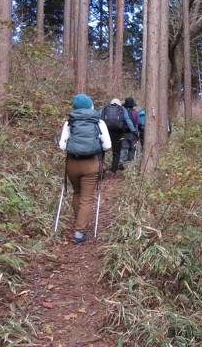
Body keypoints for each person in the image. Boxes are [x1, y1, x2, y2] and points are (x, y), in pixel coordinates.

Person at [58, 94, 112, 244]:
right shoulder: (98, 122)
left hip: (72, 164)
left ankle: (79, 222)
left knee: (77, 193)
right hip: (91, 164)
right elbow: (107, 146)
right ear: (90, 106)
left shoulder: (69, 122)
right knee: (86, 198)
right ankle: (79, 232)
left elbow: (62, 146)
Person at [99, 98, 136, 177]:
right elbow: (127, 120)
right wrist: (133, 131)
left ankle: (100, 169)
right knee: (116, 152)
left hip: (105, 132)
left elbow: (98, 119)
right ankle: (113, 171)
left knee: (102, 151)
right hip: (117, 132)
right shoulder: (122, 109)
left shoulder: (105, 108)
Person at [120, 97, 140, 163]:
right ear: (132, 105)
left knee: (124, 147)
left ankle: (122, 161)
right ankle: (130, 162)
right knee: (132, 148)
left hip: (123, 133)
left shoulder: (122, 112)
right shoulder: (135, 112)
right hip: (133, 133)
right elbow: (139, 122)